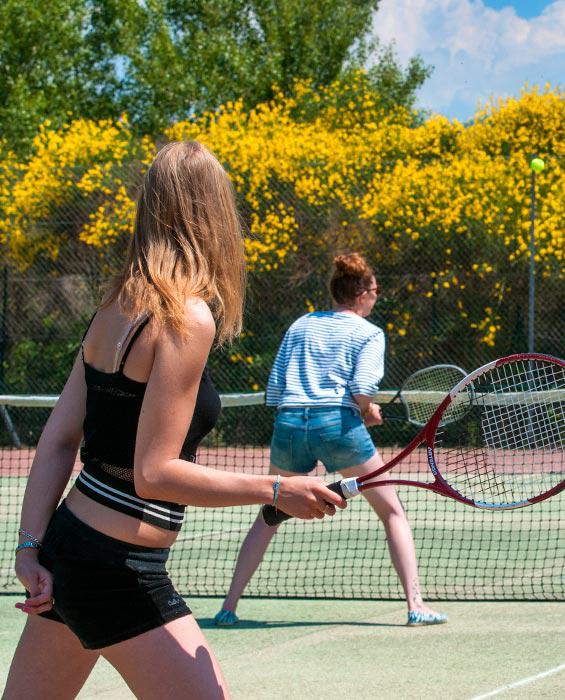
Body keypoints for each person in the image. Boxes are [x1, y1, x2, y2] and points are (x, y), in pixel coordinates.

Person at [4, 141, 346, 700]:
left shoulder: (114, 306)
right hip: (118, 570)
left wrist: (29, 549)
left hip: (71, 550)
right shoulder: (187, 316)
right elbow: (155, 473)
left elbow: (60, 438)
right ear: (212, 215)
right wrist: (278, 487)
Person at [214, 252, 446, 628]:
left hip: (290, 422)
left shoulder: (302, 323)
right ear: (362, 294)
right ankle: (416, 605)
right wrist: (365, 412)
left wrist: (348, 413)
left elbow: (276, 387)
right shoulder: (369, 333)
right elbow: (361, 390)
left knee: (269, 515)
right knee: (392, 511)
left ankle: (228, 608)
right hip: (336, 423)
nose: (377, 296)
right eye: (375, 290)